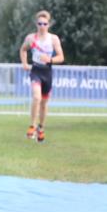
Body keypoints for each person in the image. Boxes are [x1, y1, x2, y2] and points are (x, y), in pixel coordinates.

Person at [19, 10, 65, 142]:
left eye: (44, 23)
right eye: (39, 23)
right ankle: (32, 126)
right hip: (36, 71)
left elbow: (61, 57)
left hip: (47, 72)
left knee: (44, 104)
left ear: (48, 25)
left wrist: (50, 59)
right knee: (36, 97)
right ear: (36, 24)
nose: (42, 26)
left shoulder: (53, 39)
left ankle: (41, 128)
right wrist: (25, 63)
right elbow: (23, 49)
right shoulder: (31, 38)